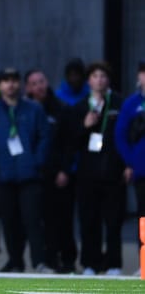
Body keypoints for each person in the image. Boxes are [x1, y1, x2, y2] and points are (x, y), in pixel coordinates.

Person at [0, 68, 52, 273]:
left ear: (20, 84)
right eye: (6, 80)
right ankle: (15, 261)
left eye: (14, 80)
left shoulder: (34, 109)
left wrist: (37, 162)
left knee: (33, 220)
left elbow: (44, 136)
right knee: (9, 222)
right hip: (3, 175)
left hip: (30, 175)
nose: (10, 84)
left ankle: (39, 262)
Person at [66, 61, 129, 276]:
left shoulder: (119, 104)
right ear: (89, 81)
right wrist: (84, 126)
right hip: (88, 174)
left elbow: (127, 136)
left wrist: (127, 165)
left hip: (113, 172)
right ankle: (90, 263)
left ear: (108, 80)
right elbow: (71, 141)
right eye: (95, 76)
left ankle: (113, 264)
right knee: (89, 220)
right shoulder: (80, 107)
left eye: (103, 76)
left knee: (113, 221)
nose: (99, 80)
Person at [24, 69, 77, 273]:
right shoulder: (23, 110)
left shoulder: (61, 108)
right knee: (42, 219)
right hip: (35, 173)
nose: (39, 86)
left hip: (58, 172)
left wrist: (65, 170)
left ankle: (68, 259)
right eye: (34, 83)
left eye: (42, 81)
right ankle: (49, 259)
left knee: (63, 218)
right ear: (28, 88)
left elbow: (69, 143)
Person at [115, 60, 145, 229]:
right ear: (139, 76)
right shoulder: (131, 103)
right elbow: (120, 136)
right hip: (141, 169)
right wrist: (130, 162)